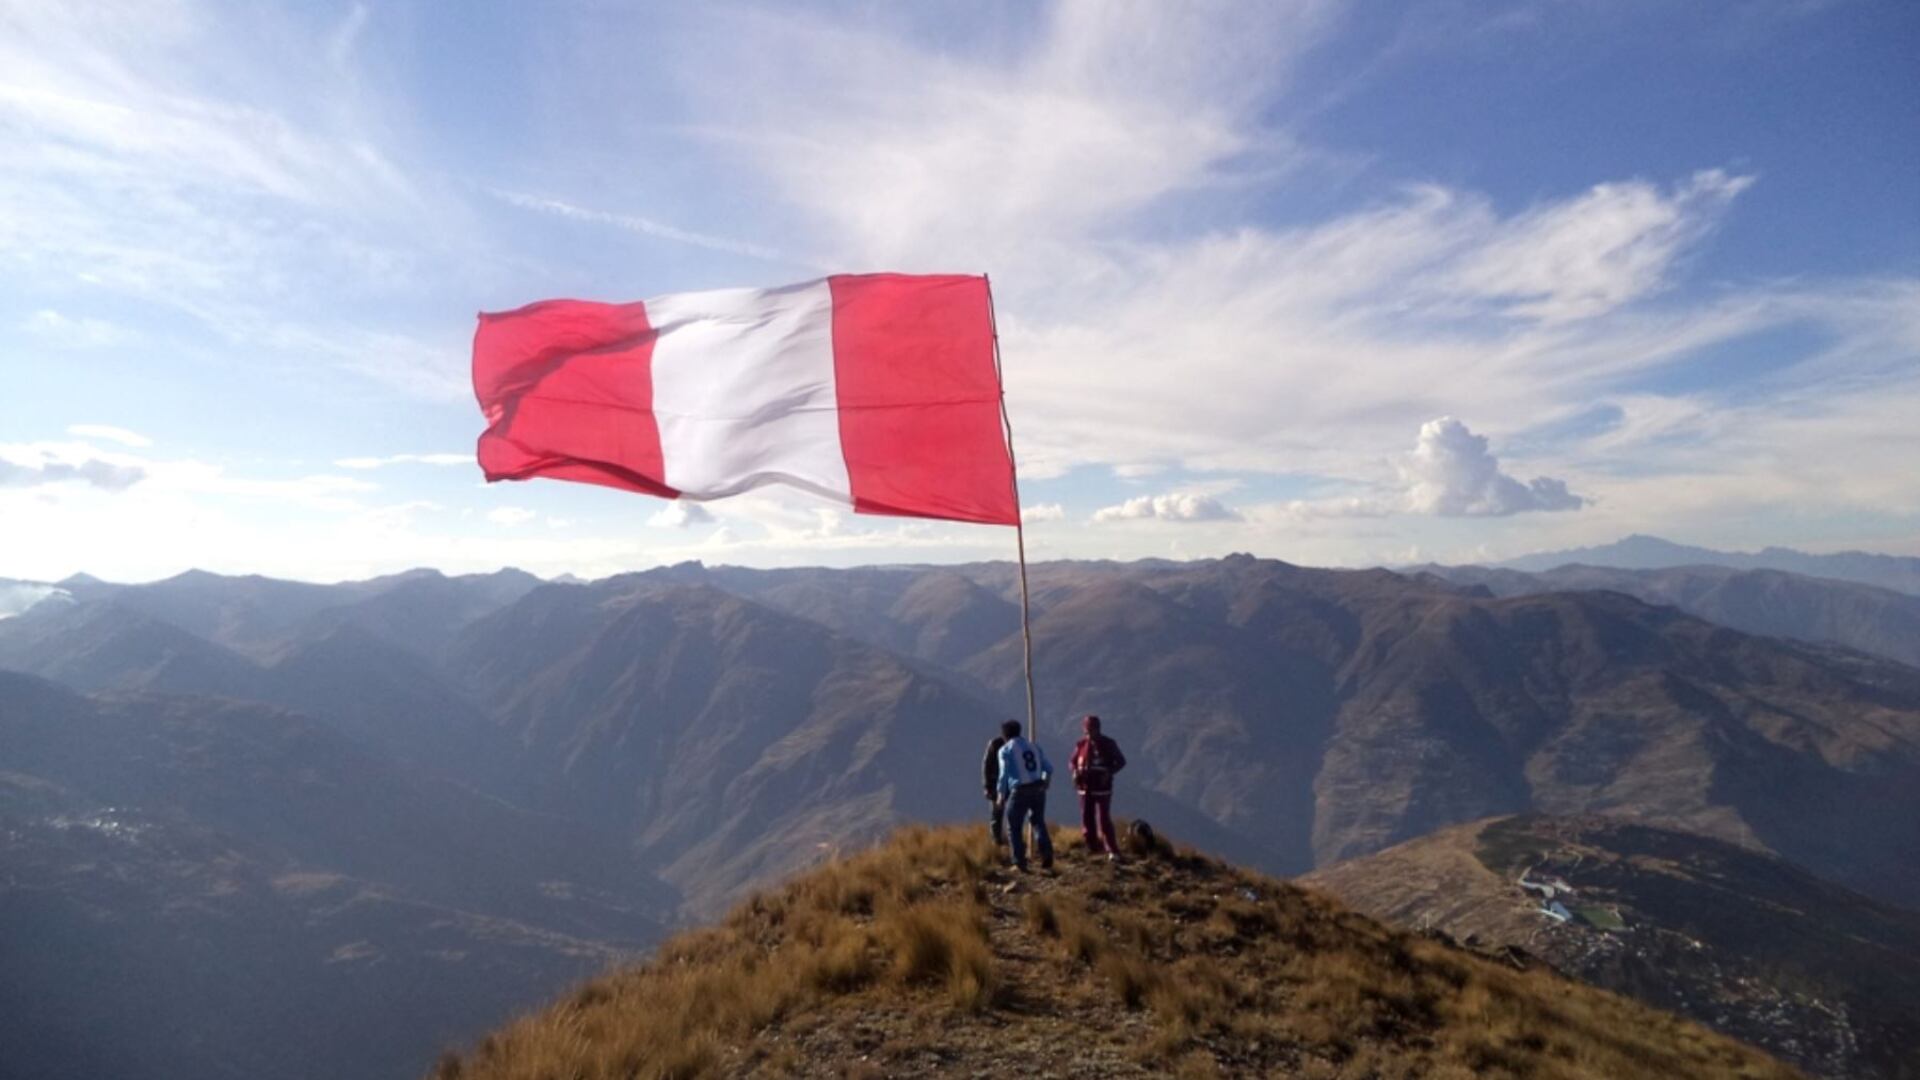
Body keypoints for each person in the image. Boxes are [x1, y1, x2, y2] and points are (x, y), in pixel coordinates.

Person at [995, 719, 1054, 872]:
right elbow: (1049, 767)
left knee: (1013, 826)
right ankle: (1046, 853)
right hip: (1038, 787)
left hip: (1019, 789)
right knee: (1038, 821)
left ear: (1004, 734)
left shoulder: (1005, 750)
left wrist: (1001, 795)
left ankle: (1019, 861)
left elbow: (1003, 774)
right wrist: (1046, 781)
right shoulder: (1033, 746)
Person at [1070, 714, 1128, 860]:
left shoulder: (1109, 744)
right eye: (1088, 731)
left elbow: (1121, 761)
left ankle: (1112, 849)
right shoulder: (1081, 745)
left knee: (1103, 818)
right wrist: (1075, 772)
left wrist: (1109, 772)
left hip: (1102, 788)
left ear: (1099, 729)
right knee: (1086, 817)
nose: (1090, 734)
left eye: (1093, 730)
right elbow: (1072, 761)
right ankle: (1092, 846)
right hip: (1084, 786)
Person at [982, 727, 1009, 846]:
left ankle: (1008, 838)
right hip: (996, 784)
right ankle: (997, 840)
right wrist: (987, 786)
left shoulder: (1014, 746)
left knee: (1011, 812)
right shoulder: (995, 745)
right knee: (997, 813)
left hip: (1011, 784)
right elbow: (986, 766)